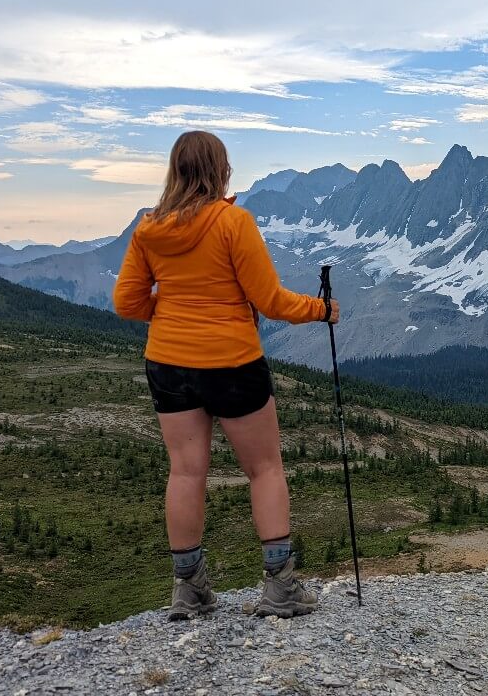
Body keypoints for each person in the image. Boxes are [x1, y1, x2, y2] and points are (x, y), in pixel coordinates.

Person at [113, 130, 339, 620]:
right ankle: (280, 588)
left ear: (174, 172)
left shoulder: (149, 230)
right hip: (233, 363)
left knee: (186, 471)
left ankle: (188, 590)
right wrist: (322, 310)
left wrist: (172, 310)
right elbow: (271, 301)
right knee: (265, 469)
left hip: (168, 363)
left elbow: (126, 302)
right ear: (222, 171)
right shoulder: (234, 222)